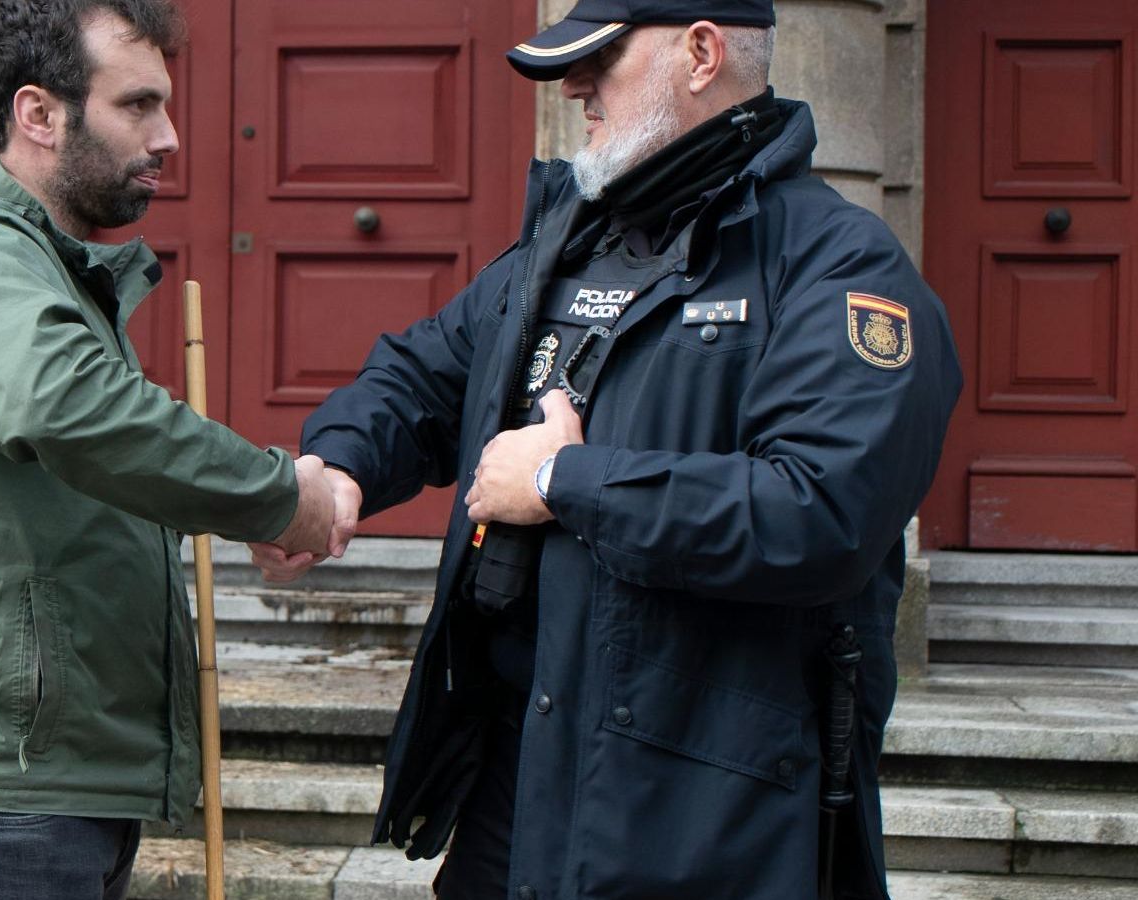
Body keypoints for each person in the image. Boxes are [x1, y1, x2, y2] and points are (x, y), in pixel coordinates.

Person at [252, 1, 962, 897]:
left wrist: (563, 480)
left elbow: (820, 512)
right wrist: (340, 468)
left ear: (701, 52)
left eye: (604, 60)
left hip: (706, 813)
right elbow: (425, 374)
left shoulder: (838, 267)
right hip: (519, 776)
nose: (576, 87)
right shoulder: (572, 244)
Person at [0, 1, 336, 897]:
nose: (171, 135)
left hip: (56, 779)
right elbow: (67, 406)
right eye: (138, 105)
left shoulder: (44, 266)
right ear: (39, 114)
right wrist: (275, 496)